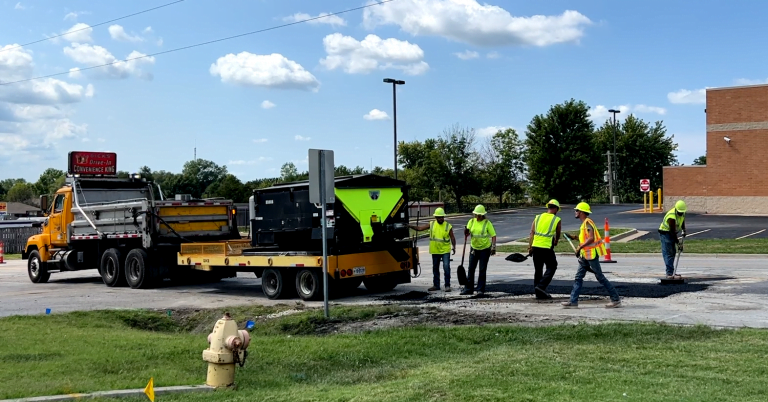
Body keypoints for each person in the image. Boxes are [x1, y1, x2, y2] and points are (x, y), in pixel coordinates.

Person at [561, 202, 622, 308]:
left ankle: (615, 299)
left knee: (600, 277)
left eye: (577, 210)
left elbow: (591, 238)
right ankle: (573, 301)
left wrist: (579, 247)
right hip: (585, 255)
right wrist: (573, 237)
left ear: (581, 212)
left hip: (591, 255)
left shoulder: (588, 223)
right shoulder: (584, 224)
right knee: (578, 277)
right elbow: (584, 238)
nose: (575, 212)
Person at [411, 208, 456, 292]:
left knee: (446, 267)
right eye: (439, 217)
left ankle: (447, 285)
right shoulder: (432, 224)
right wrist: (410, 226)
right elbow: (420, 228)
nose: (441, 219)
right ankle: (436, 285)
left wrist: (454, 247)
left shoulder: (448, 226)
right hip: (435, 250)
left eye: (442, 217)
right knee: (435, 268)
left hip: (445, 250)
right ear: (436, 217)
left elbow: (452, 237)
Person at [527, 199, 562, 300]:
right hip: (546, 247)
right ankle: (541, 286)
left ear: (548, 207)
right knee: (552, 266)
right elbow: (558, 232)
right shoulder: (556, 219)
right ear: (556, 209)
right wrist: (556, 240)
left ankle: (538, 294)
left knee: (538, 270)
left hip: (536, 246)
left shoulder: (538, 217)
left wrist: (530, 247)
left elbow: (532, 233)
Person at [461, 205, 497, 296]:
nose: (478, 216)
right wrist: (466, 231)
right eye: (477, 215)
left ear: (483, 215)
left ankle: (480, 289)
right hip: (474, 248)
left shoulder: (487, 223)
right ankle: (468, 288)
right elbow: (467, 232)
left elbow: (493, 235)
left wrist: (493, 247)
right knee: (471, 268)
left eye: (479, 215)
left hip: (485, 249)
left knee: (482, 269)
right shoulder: (471, 221)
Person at [659, 200, 687, 279]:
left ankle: (672, 272)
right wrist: (678, 243)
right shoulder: (671, 216)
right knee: (669, 253)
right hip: (665, 233)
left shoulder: (682, 213)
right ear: (676, 209)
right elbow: (672, 232)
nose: (681, 213)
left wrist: (684, 230)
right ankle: (669, 273)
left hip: (671, 233)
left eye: (682, 212)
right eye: (680, 212)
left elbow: (682, 220)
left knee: (673, 252)